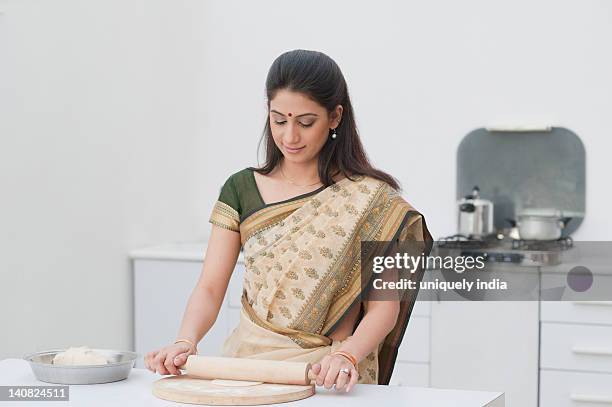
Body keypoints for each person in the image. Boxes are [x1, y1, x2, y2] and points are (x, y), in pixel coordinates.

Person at [145, 49, 432, 393]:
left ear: (335, 116)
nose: (290, 137)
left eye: (306, 123)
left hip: (326, 376)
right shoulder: (241, 189)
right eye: (279, 120)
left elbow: (383, 310)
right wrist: (185, 340)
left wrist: (347, 358)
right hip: (245, 369)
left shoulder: (373, 203)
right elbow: (209, 287)